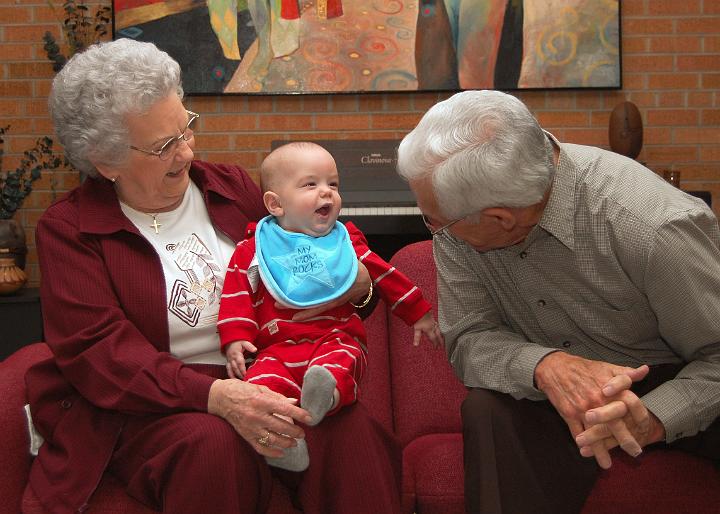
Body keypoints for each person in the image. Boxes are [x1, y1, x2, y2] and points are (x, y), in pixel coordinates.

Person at [24, 38, 404, 514]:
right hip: (152, 408)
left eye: (186, 128)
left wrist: (361, 289)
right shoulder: (70, 230)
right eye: (164, 145)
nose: (185, 152)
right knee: (213, 445)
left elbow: (319, 269)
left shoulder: (230, 189)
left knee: (350, 432)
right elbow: (100, 352)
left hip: (269, 376)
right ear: (105, 161)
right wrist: (215, 395)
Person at [396, 89, 720, 514]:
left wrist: (654, 416)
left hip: (671, 378)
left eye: (434, 219)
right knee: (487, 410)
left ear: (499, 218)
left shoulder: (654, 226)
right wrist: (542, 365)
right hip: (547, 392)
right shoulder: (459, 221)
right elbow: (469, 337)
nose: (432, 227)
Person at [217, 142, 443, 471]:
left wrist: (418, 312)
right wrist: (236, 338)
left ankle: (326, 396)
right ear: (275, 204)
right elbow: (236, 291)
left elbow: (384, 274)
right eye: (311, 184)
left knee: (340, 364)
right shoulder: (255, 248)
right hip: (276, 349)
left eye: (333, 184)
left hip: (335, 336)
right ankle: (286, 448)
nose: (327, 193)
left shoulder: (346, 241)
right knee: (263, 387)